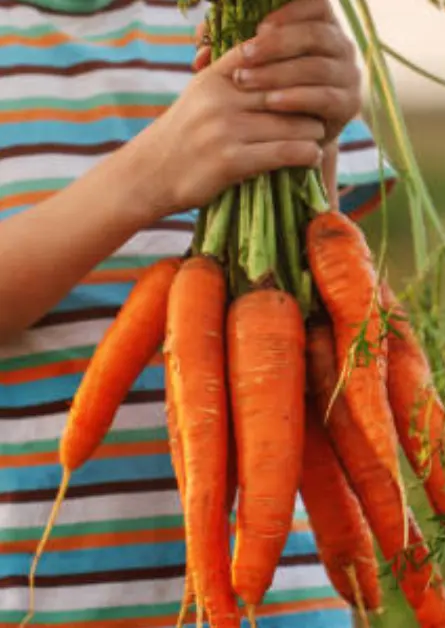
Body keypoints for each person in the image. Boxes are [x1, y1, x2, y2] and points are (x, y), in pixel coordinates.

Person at [0, 0, 396, 623]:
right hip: (53, 602)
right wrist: (146, 177)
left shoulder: (245, 23)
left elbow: (323, 281)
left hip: (284, 600)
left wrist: (319, 118)